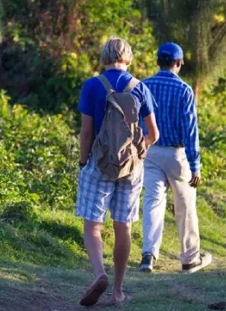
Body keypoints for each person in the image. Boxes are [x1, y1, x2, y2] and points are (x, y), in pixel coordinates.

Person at [76, 37, 159, 307]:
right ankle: (118, 292)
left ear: (104, 56)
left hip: (100, 163)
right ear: (128, 58)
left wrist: (83, 160)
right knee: (123, 226)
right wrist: (138, 151)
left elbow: (87, 132)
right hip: (131, 168)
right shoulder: (140, 87)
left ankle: (100, 274)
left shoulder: (92, 85)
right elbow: (154, 134)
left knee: (93, 226)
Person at [138, 43, 212, 274]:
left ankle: (148, 255)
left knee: (152, 201)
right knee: (185, 205)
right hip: (177, 154)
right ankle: (190, 258)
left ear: (158, 61)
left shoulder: (143, 86)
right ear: (179, 63)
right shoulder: (184, 90)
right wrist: (195, 166)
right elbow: (190, 131)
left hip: (149, 151)